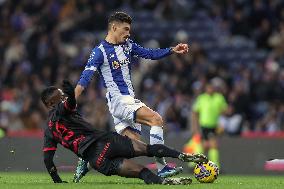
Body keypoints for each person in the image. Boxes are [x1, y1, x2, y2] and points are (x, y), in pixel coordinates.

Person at [73, 11, 189, 181]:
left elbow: (149, 54)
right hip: (120, 100)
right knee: (155, 119)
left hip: (126, 101)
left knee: (129, 145)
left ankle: (88, 160)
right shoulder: (100, 51)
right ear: (114, 27)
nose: (128, 33)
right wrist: (71, 101)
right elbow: (85, 78)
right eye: (125, 29)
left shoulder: (128, 45)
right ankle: (162, 167)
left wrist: (172, 50)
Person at [41, 80, 207, 185]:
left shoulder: (49, 130)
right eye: (60, 97)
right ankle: (181, 156)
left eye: (63, 96)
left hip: (97, 160)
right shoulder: (63, 109)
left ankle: (168, 182)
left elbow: (48, 159)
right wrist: (70, 95)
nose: (63, 99)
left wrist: (57, 181)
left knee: (142, 172)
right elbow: (69, 105)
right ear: (51, 104)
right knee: (148, 149)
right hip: (107, 143)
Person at [191, 82, 228, 168]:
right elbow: (195, 112)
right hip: (204, 125)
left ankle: (202, 165)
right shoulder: (201, 98)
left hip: (214, 125)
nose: (210, 89)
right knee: (205, 146)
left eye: (212, 88)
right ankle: (202, 165)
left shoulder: (219, 97)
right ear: (206, 89)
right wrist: (195, 126)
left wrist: (223, 122)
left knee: (212, 145)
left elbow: (225, 110)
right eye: (209, 88)